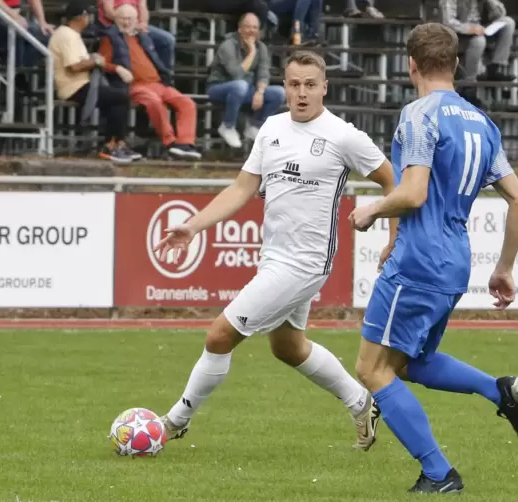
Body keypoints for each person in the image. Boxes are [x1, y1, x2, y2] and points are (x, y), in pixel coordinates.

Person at [154, 50, 396, 452]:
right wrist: (193, 226)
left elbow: (395, 184)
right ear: (285, 86)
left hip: (306, 262)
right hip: (275, 256)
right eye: (294, 84)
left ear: (324, 88)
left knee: (219, 336)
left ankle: (175, 422)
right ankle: (361, 403)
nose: (301, 93)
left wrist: (392, 235)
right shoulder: (271, 128)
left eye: (310, 85)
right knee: (288, 347)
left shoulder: (343, 136)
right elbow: (241, 189)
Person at [349, 22, 518, 493]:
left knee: (372, 369)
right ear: (455, 64)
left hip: (419, 260)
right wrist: (504, 267)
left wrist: (371, 210)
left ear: (410, 65)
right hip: (454, 258)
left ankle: (438, 473)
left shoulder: (419, 114)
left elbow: (412, 193)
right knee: (412, 362)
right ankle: (499, 390)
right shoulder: (482, 122)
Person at [98, 4, 201, 159]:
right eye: (122, 19)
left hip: (158, 83)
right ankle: (170, 142)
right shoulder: (110, 37)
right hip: (136, 85)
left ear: (136, 20)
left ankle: (185, 144)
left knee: (187, 103)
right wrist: (118, 68)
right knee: (154, 102)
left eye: (129, 19)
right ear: (115, 19)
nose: (126, 22)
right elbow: (101, 62)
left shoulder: (143, 37)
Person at [48, 0, 141, 163]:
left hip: (81, 84)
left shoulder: (71, 34)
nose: (90, 19)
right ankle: (111, 146)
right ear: (81, 17)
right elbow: (74, 67)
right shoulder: (66, 35)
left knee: (118, 97)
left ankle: (116, 143)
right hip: (73, 87)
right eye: (88, 15)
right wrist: (96, 61)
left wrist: (93, 59)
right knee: (120, 98)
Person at [207, 13, 286, 149]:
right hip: (219, 87)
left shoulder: (262, 47)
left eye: (255, 27)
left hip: (244, 89)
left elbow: (263, 73)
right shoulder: (228, 45)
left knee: (279, 93)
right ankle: (227, 125)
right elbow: (236, 74)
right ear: (239, 28)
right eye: (248, 27)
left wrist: (260, 92)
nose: (252, 31)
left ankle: (255, 126)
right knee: (240, 85)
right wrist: (252, 53)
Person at [96, 0, 176, 69]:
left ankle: (163, 76)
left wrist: (143, 23)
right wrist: (130, 23)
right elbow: (108, 12)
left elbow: (143, 7)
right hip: (114, 24)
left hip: (135, 25)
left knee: (168, 40)